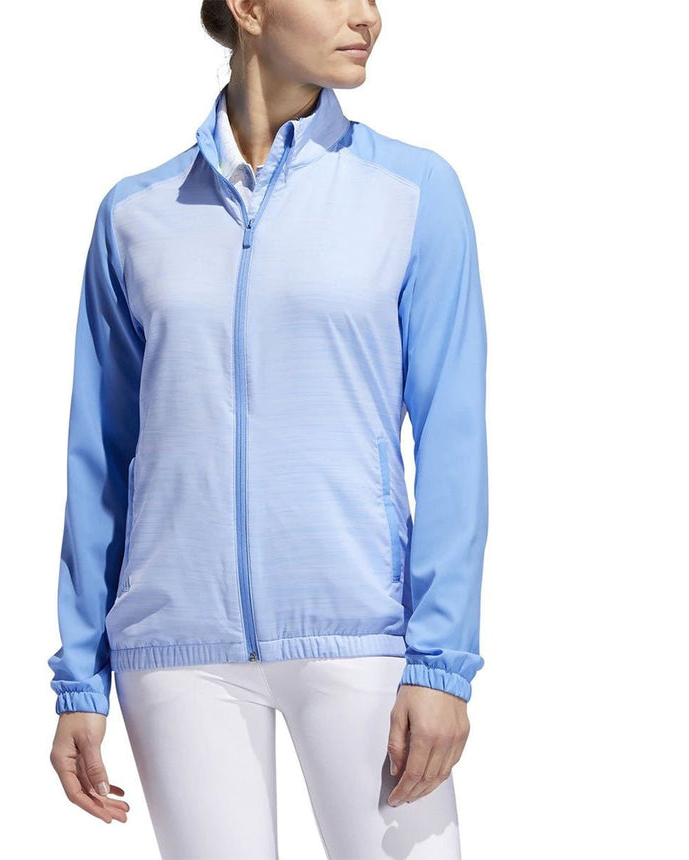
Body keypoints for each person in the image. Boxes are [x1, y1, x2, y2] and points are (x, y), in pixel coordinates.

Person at [47, 1, 489, 857]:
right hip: (175, 648)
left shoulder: (412, 191)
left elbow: (453, 439)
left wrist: (441, 662)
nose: (367, 16)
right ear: (248, 8)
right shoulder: (137, 212)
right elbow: (101, 453)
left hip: (361, 633)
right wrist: (79, 677)